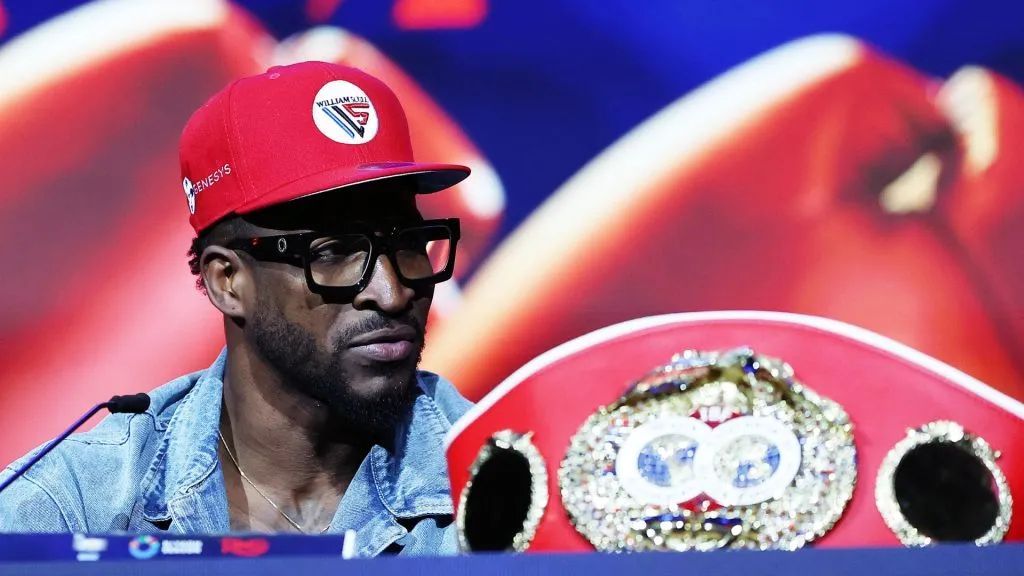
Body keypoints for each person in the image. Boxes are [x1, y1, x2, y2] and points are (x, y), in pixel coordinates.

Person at [0, 61, 476, 557]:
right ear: (227, 281)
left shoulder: (518, 482)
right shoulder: (67, 511)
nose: (394, 292)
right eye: (333, 252)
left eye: (408, 244)